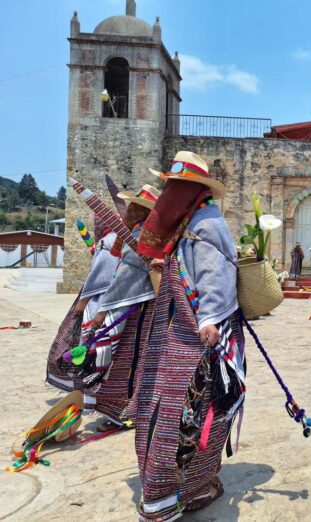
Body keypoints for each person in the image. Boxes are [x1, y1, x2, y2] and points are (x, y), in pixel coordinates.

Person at [132, 151, 244, 519]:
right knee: (167, 408)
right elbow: (194, 266)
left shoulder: (207, 223)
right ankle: (172, 487)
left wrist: (209, 321)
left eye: (177, 187)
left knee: (194, 409)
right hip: (179, 332)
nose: (169, 194)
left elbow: (217, 276)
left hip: (204, 334)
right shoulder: (189, 223)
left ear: (192, 190)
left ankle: (189, 486)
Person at [84, 184, 160, 431]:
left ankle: (126, 411)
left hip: (138, 305)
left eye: (136, 206)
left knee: (129, 360)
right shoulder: (136, 232)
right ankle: (126, 409)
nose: (131, 209)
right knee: (130, 359)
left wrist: (104, 308)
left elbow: (127, 275)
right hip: (134, 302)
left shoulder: (144, 234)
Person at [46, 222, 119, 392]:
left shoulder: (108, 241)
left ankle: (87, 388)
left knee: (89, 345)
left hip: (101, 300)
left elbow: (100, 276)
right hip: (118, 299)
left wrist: (83, 300)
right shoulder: (120, 240)